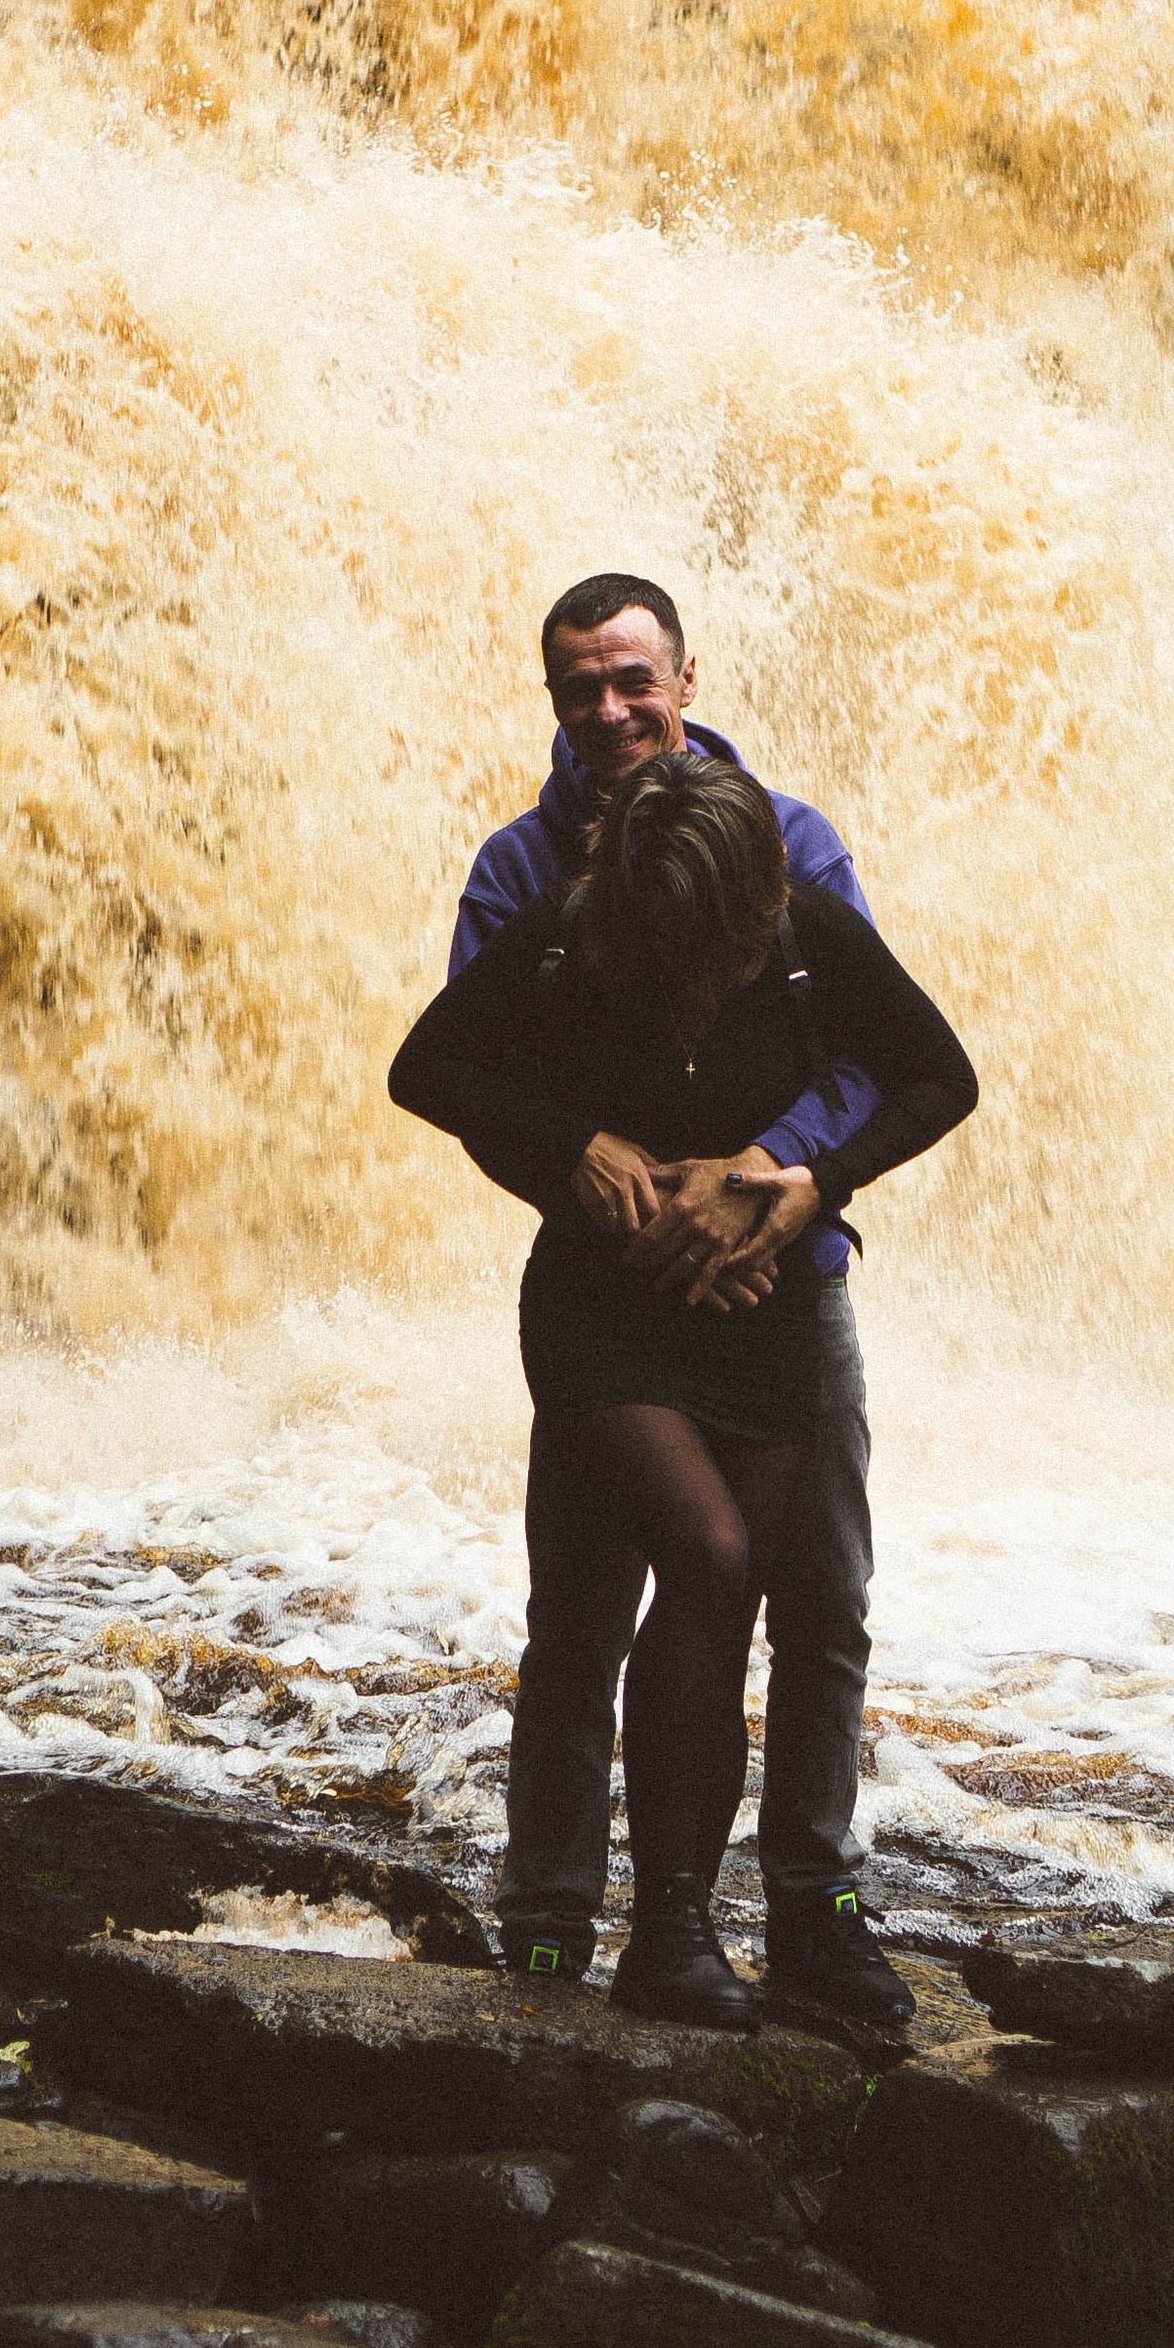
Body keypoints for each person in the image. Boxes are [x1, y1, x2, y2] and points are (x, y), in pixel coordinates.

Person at [391, 740, 976, 2029]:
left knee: (752, 1594)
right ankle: (581, 1921)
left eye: (726, 947)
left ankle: (679, 1930)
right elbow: (425, 1071)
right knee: (701, 1560)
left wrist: (813, 1184)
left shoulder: (801, 922)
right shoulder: (561, 931)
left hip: (762, 1305)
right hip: (606, 1304)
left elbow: (943, 1075)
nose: (705, 977)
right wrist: (572, 1148)